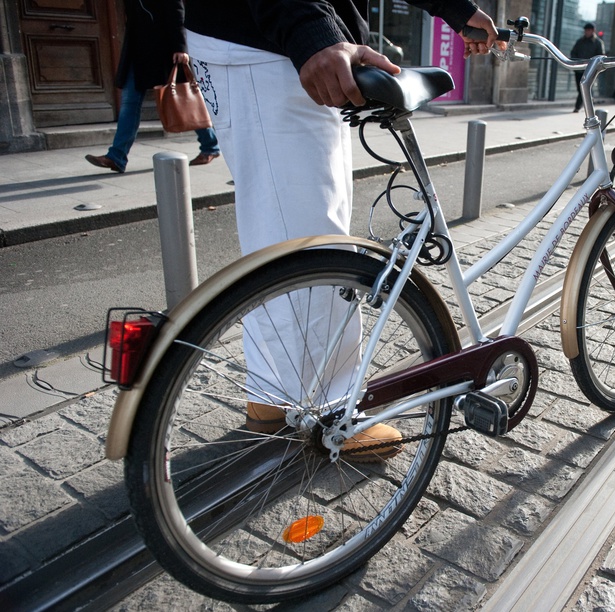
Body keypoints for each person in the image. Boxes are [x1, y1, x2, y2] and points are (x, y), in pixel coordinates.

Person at [183, 0, 500, 454]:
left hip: (260, 42)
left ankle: (272, 395)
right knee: (312, 245)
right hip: (272, 47)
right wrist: (310, 29)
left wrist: (454, 8)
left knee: (278, 231)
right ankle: (331, 409)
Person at [85, 0, 219, 174]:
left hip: (165, 51)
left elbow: (177, 11)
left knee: (185, 101)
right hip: (137, 52)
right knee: (129, 103)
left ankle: (210, 146)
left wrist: (180, 47)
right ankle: (117, 156)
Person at [571, 23, 605, 112]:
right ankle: (589, 100)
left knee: (584, 87)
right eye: (585, 30)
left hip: (590, 70)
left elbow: (600, 56)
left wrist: (593, 65)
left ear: (593, 31)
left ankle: (577, 107)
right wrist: (576, 62)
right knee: (580, 88)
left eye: (588, 30)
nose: (587, 32)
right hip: (579, 69)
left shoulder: (598, 43)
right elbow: (573, 52)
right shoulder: (580, 41)